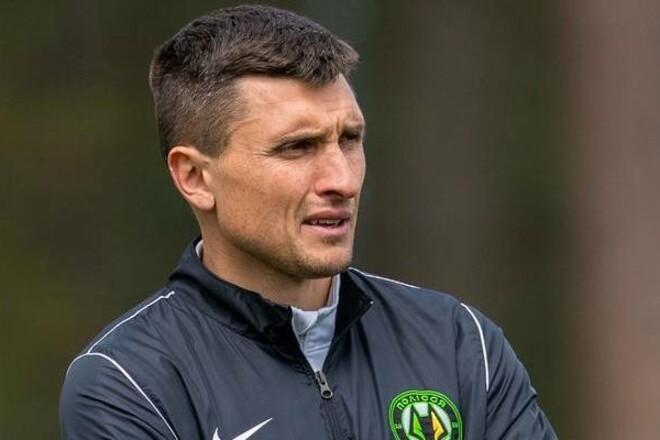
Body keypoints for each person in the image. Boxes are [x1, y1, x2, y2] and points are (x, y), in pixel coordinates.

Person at [60, 5, 556, 439]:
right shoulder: (130, 382)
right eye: (297, 147)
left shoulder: (458, 342)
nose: (343, 179)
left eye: (349, 139)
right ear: (194, 177)